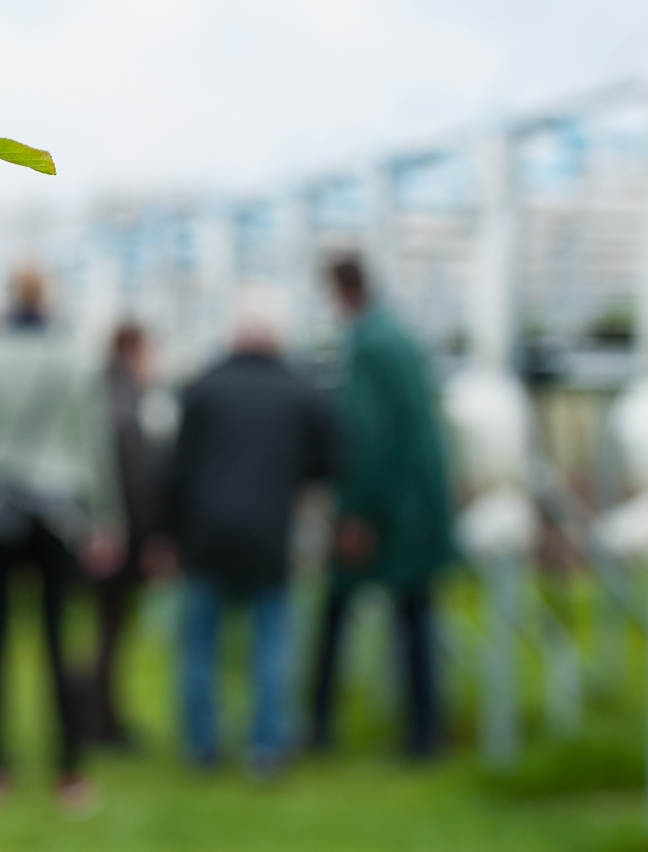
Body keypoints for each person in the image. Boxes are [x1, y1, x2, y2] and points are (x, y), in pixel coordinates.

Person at [0, 267, 123, 810]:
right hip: (59, 515)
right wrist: (107, 516)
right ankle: (69, 771)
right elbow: (94, 444)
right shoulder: (75, 358)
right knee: (56, 643)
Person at [153, 288, 334, 776]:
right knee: (272, 643)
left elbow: (178, 469)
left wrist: (166, 534)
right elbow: (325, 464)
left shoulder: (204, 386)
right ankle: (267, 748)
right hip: (270, 532)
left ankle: (202, 747)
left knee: (199, 645)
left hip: (206, 533)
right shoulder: (300, 389)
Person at [308, 253, 454, 759]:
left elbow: (365, 435)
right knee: (414, 614)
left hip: (387, 507)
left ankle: (321, 726)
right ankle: (424, 733)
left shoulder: (368, 344)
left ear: (341, 291)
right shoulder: (398, 335)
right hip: (416, 501)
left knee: (338, 609)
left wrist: (355, 513)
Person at [84, 323, 164, 748]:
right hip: (119, 540)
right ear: (134, 350)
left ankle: (101, 715)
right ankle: (101, 720)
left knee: (104, 630)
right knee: (111, 631)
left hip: (101, 535)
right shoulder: (127, 404)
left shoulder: (100, 396)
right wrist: (149, 538)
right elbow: (137, 480)